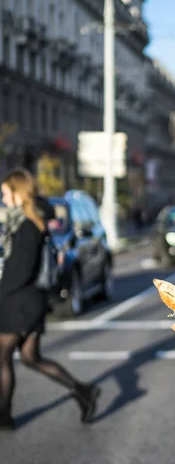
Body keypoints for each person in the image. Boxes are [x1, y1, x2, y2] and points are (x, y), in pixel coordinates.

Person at [0, 168, 100, 430]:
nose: (3, 199)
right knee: (31, 357)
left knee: (3, 358)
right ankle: (83, 391)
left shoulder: (26, 226)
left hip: (18, 303)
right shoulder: (35, 222)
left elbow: (19, 272)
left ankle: (4, 417)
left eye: (5, 193)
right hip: (31, 301)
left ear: (17, 193)